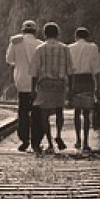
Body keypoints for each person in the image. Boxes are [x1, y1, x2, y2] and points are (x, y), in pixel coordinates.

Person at [29, 22, 72, 153]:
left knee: (44, 115)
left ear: (45, 34)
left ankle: (50, 143)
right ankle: (58, 135)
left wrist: (33, 89)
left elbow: (34, 71)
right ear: (57, 34)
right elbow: (70, 70)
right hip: (59, 84)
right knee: (59, 111)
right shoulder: (65, 48)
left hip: (44, 84)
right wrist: (70, 87)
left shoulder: (40, 49)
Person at [6, 20, 43, 151]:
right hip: (37, 83)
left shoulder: (15, 43)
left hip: (21, 81)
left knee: (23, 112)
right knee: (37, 113)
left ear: (23, 30)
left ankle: (24, 139)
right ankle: (36, 142)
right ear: (35, 31)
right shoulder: (40, 44)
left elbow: (9, 60)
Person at [68, 27, 100, 152]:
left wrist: (69, 87)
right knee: (86, 113)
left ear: (76, 36)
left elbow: (68, 69)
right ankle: (86, 142)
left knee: (77, 112)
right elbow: (97, 69)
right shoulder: (93, 47)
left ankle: (78, 140)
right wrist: (98, 87)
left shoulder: (69, 48)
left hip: (75, 80)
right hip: (88, 80)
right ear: (87, 37)